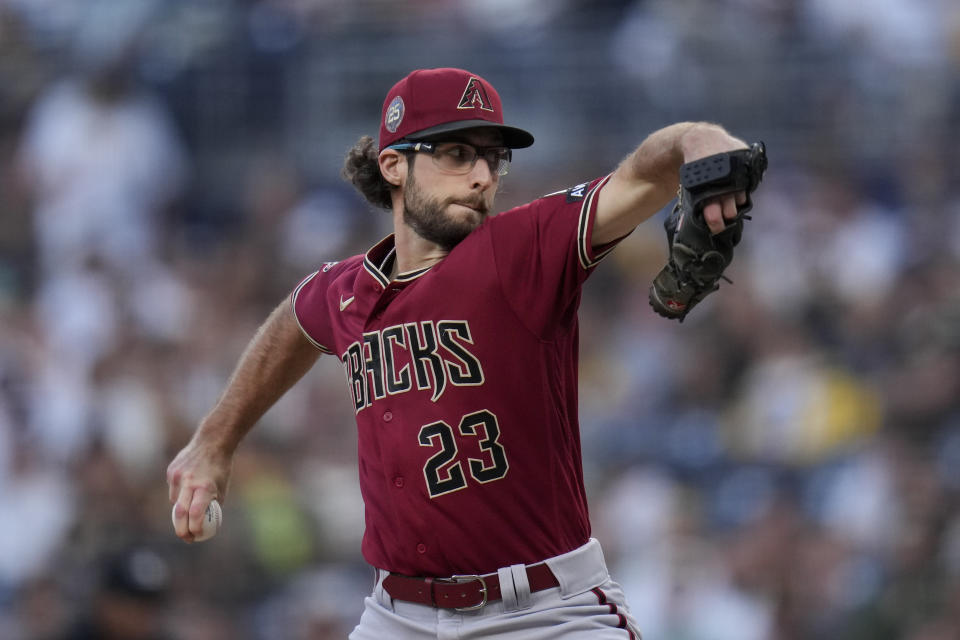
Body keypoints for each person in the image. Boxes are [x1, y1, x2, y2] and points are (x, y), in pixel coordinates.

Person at [167, 67, 751, 639]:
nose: (481, 176)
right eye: (456, 152)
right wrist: (213, 442)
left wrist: (695, 140)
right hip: (398, 614)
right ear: (393, 164)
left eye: (493, 157)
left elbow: (641, 177)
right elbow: (293, 323)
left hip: (545, 611)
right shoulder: (347, 290)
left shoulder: (520, 250)